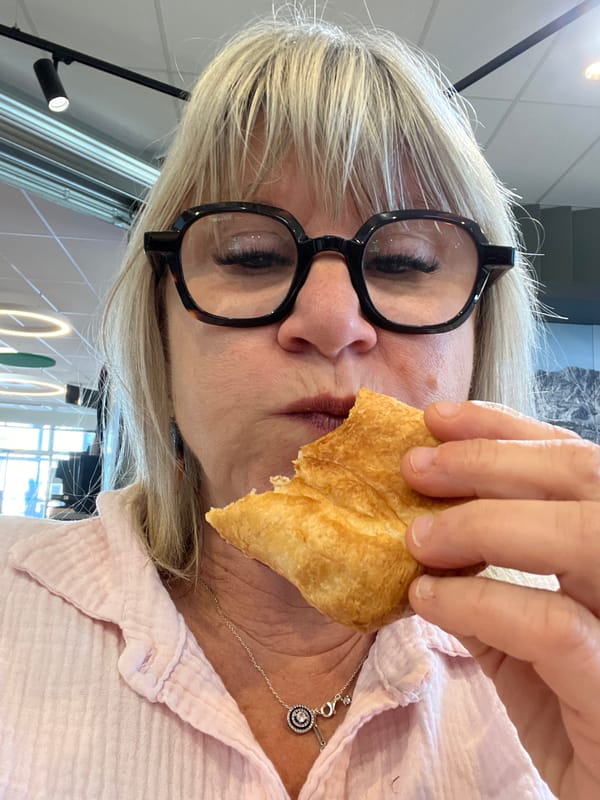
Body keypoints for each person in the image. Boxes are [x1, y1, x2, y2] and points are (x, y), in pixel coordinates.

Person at [1, 13, 598, 800]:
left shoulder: (571, 658)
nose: (329, 318)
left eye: (404, 261)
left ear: (479, 337)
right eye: (250, 255)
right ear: (161, 327)